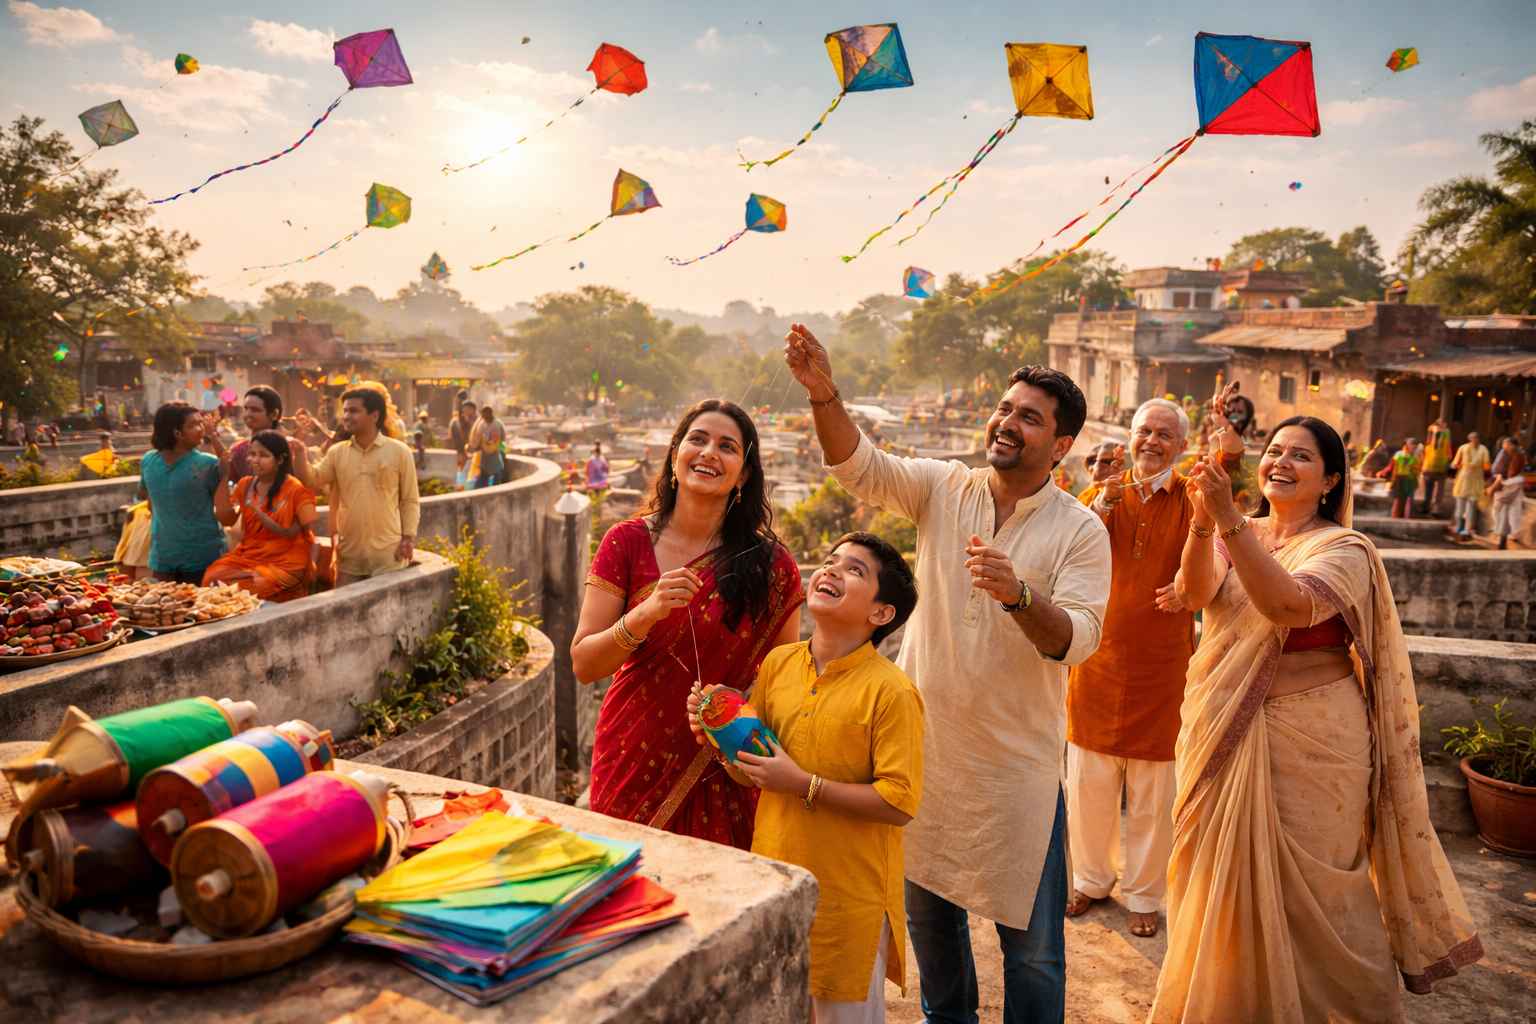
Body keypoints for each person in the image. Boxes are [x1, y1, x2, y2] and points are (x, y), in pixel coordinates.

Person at [784, 325, 1110, 1023]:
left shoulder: (1080, 530)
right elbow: (860, 468)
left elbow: (1079, 640)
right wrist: (824, 395)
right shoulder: (944, 488)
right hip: (926, 760)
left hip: (1016, 771)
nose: (1007, 422)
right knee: (933, 935)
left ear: (1060, 446)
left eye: (1029, 417)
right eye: (1005, 407)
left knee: (1033, 957)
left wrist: (1019, 596)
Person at [1153, 415, 1482, 1022]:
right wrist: (1204, 518)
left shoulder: (1344, 549)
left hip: (1314, 741)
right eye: (1274, 451)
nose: (1280, 461)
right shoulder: (1236, 531)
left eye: (1300, 456)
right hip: (1221, 723)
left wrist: (1226, 520)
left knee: (1324, 894)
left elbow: (1287, 605)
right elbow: (1194, 593)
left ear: (1330, 480)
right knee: (1221, 886)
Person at [688, 531, 923, 1023]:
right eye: (832, 560)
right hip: (776, 876)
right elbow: (753, 770)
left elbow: (899, 803)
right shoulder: (779, 664)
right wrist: (717, 730)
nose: (832, 570)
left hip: (847, 898)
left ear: (881, 614)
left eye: (855, 570)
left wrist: (803, 785)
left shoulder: (891, 691)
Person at [571, 399, 804, 849]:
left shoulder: (772, 567)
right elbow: (584, 664)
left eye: (727, 446)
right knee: (628, 894)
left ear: (745, 474)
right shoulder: (626, 542)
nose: (709, 453)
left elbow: (782, 683)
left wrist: (729, 710)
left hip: (728, 766)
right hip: (632, 756)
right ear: (675, 454)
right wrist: (647, 612)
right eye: (697, 439)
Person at [1065, 398, 1198, 941]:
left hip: (1163, 669)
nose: (1153, 441)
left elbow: (1215, 558)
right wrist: (1103, 501)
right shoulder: (1101, 496)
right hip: (1098, 660)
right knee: (1088, 783)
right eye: (1145, 430)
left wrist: (1191, 585)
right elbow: (1071, 547)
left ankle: (1144, 894)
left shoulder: (1193, 499)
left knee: (1152, 791)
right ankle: (1090, 879)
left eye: (1165, 434)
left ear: (1181, 447)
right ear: (1130, 436)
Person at [294, 388, 420, 587]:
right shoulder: (337, 453)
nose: (346, 416)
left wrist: (408, 538)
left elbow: (410, 500)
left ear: (374, 415)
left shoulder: (399, 452)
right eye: (345, 411)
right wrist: (300, 453)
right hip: (349, 559)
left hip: (388, 557)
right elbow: (313, 479)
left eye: (353, 411)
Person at [204, 431, 318, 601]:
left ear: (280, 460)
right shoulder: (245, 484)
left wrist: (310, 570)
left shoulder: (295, 488)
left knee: (257, 584)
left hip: (287, 560)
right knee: (212, 578)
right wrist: (224, 476)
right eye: (252, 454)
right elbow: (227, 519)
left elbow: (302, 531)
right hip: (250, 556)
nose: (254, 460)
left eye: (263, 455)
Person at [137, 402, 227, 584]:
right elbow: (228, 474)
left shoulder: (148, 460)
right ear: (177, 433)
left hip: (165, 556)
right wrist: (215, 438)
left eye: (202, 423)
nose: (201, 429)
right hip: (201, 556)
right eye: (194, 425)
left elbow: (146, 499)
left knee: (169, 608)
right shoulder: (205, 464)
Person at [228, 386, 309, 485]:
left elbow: (303, 486)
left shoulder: (292, 447)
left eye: (255, 410)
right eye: (246, 409)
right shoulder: (238, 451)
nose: (248, 414)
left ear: (274, 414)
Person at [1487, 435, 1527, 550]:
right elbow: (1498, 470)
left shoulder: (1518, 455)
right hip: (1508, 483)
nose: (1504, 446)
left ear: (1512, 445)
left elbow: (1511, 472)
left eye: (1507, 444)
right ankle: (1504, 534)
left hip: (1512, 483)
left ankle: (1509, 534)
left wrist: (1498, 483)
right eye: (1504, 444)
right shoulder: (1505, 453)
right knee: (1506, 509)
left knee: (1507, 508)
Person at [1449, 430, 1490, 540]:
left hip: (1476, 479)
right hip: (1463, 479)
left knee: (1471, 506)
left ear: (1479, 439)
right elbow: (1454, 463)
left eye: (1476, 438)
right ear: (1469, 439)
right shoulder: (1463, 448)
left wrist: (1481, 466)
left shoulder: (1483, 449)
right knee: (1460, 507)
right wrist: (1457, 465)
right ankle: (1459, 526)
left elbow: (1487, 466)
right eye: (1472, 439)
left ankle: (1467, 529)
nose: (1474, 440)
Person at [1379, 437, 1421, 519]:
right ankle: (1395, 516)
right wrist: (1383, 472)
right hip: (1399, 479)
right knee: (1398, 499)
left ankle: (1407, 517)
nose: (1413, 447)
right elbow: (1391, 466)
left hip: (1410, 480)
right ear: (1406, 445)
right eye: (1412, 444)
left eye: (1414, 445)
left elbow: (1417, 469)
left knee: (1409, 499)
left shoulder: (1416, 457)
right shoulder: (1399, 454)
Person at [468, 404, 506, 488]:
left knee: (497, 476)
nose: (485, 416)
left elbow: (503, 439)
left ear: (491, 413)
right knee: (483, 477)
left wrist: (501, 451)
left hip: (495, 454)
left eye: (487, 413)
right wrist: (475, 448)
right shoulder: (481, 425)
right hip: (485, 455)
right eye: (484, 414)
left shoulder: (498, 424)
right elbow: (476, 439)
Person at [1420, 419, 1452, 515]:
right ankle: (1427, 506)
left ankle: (1435, 508)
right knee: (1429, 490)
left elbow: (1447, 447)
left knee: (1438, 491)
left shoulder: (1445, 434)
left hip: (1439, 467)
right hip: (1429, 467)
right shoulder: (1434, 434)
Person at [450, 393, 477, 487]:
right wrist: (461, 452)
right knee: (462, 473)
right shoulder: (456, 423)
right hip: (462, 452)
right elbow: (456, 440)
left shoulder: (476, 422)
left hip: (474, 454)